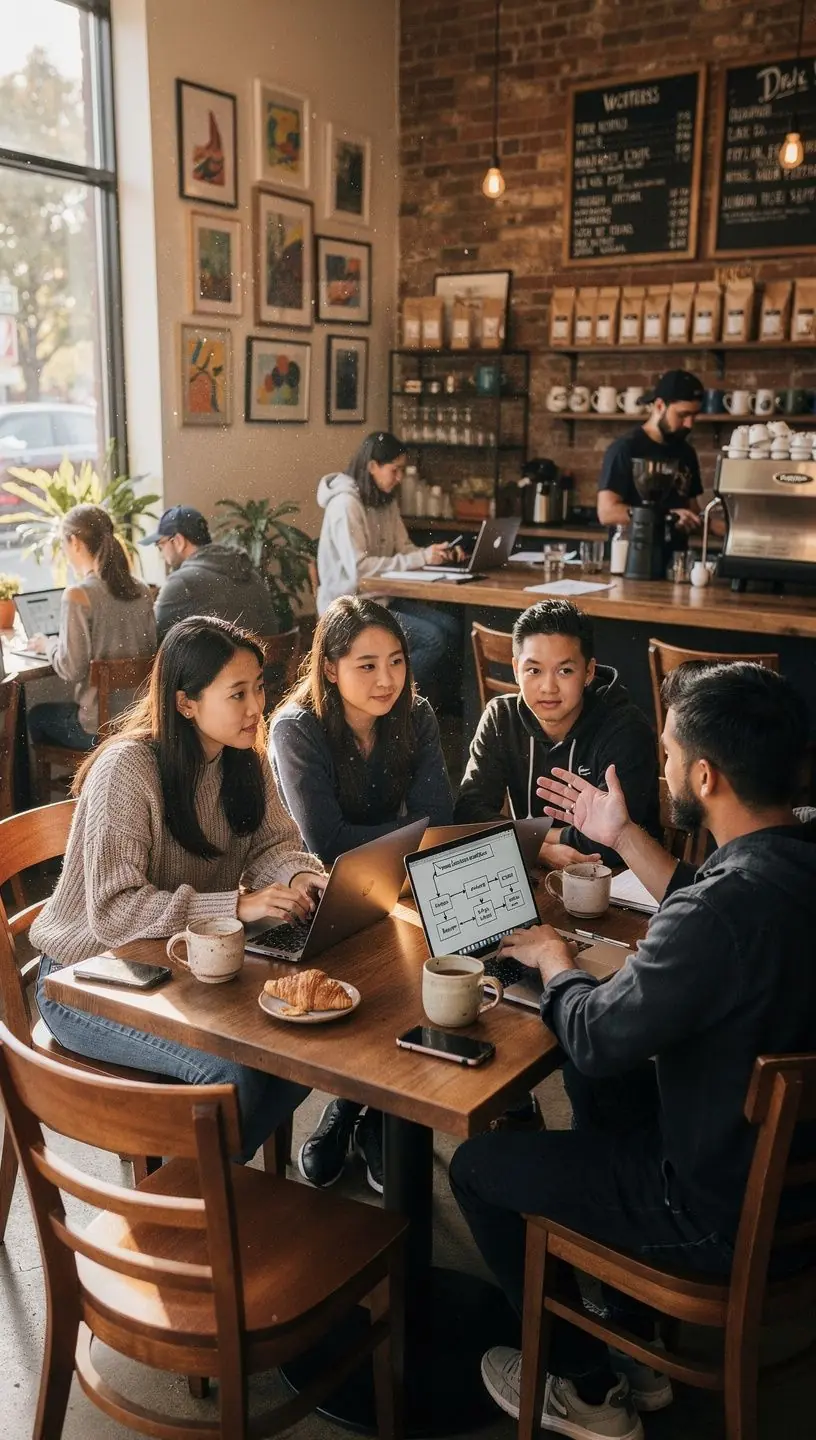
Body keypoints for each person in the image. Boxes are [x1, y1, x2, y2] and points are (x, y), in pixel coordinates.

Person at [450, 662, 816, 1440]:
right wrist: (621, 835)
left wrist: (553, 959)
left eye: (671, 752)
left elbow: (594, 1031)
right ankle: (632, 1330)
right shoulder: (787, 864)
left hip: (712, 1211)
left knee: (478, 1167)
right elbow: (707, 899)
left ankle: (585, 1387)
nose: (664, 764)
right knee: (598, 1090)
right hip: (790, 1189)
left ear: (706, 776)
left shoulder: (720, 914)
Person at [33, 616, 327, 1162]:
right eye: (237, 693)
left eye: (258, 687)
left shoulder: (243, 758)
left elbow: (274, 847)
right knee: (232, 1077)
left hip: (177, 968)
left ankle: (203, 1188)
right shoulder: (127, 771)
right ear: (185, 703)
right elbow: (115, 912)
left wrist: (300, 877)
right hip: (85, 982)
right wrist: (237, 904)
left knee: (304, 1048)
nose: (256, 707)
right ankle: (190, 1211)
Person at [270, 595, 454, 1192]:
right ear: (330, 668)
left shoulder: (415, 714)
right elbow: (326, 843)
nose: (387, 680)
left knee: (433, 959)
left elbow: (440, 815)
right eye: (367, 665)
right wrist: (409, 835)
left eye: (396, 661)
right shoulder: (297, 728)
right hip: (315, 893)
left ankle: (360, 1112)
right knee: (383, 966)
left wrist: (399, 841)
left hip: (394, 881)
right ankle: (356, 1109)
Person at [455, 600, 660, 868]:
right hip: (532, 874)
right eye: (534, 670)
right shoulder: (500, 717)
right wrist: (538, 850)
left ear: (588, 672)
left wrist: (527, 837)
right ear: (516, 670)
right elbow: (468, 816)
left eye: (565, 670)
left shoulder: (625, 728)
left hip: (618, 883)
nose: (548, 687)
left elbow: (610, 841)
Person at [315, 430, 461, 692]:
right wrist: (421, 557)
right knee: (433, 639)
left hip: (379, 598)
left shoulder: (386, 501)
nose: (400, 477)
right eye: (395, 470)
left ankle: (415, 705)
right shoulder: (345, 505)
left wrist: (435, 555)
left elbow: (403, 547)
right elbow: (360, 569)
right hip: (351, 606)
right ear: (373, 467)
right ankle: (389, 695)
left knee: (450, 627)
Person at [27, 504, 156, 752]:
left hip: (99, 731)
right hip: (139, 723)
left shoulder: (78, 595)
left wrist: (48, 644)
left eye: (64, 545)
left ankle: (81, 786)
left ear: (74, 542)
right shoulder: (142, 590)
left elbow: (73, 669)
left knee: (37, 716)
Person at [142, 505, 280, 642]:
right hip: (262, 662)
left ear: (178, 541)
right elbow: (272, 628)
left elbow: (151, 641)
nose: (161, 554)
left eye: (160, 545)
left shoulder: (181, 582)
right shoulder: (248, 571)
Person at [596, 369, 704, 534]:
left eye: (694, 415)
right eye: (683, 415)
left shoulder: (686, 452)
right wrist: (669, 516)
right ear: (660, 406)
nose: (689, 424)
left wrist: (719, 526)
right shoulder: (625, 449)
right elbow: (607, 513)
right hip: (632, 553)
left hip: (676, 555)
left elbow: (692, 509)